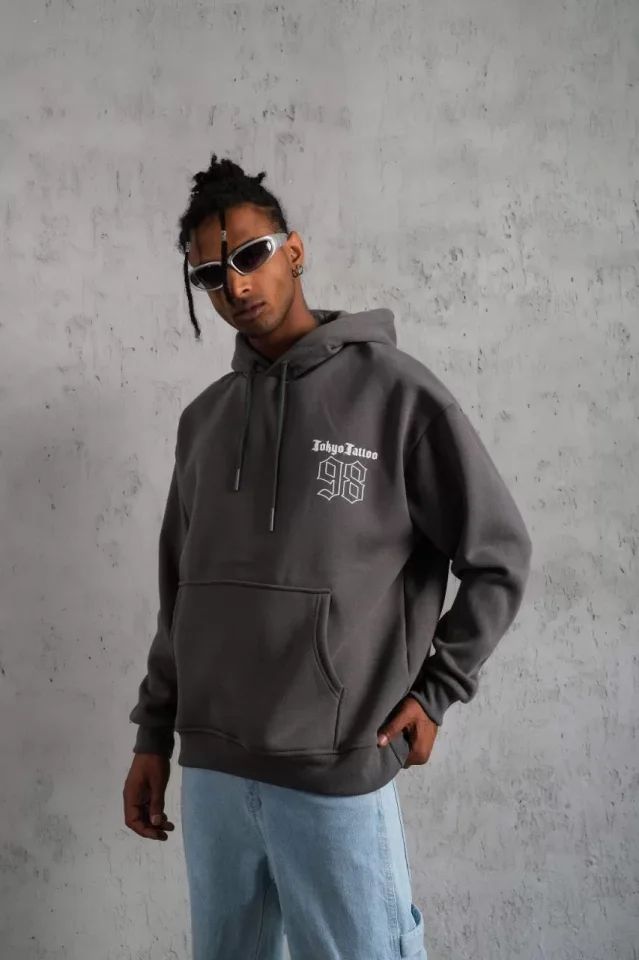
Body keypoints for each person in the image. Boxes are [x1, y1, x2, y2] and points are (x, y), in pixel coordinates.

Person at [123, 153, 533, 960]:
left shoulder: (397, 394)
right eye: (210, 274)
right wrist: (152, 734)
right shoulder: (204, 422)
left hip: (335, 768)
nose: (236, 285)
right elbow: (181, 595)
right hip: (212, 772)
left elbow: (498, 553)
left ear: (294, 250)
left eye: (250, 255)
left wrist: (438, 691)